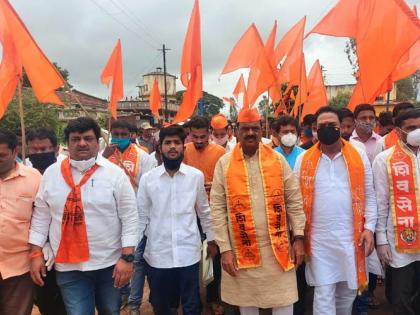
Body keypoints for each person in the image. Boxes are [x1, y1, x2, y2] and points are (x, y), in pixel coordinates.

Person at [29, 117, 139, 315]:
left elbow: (130, 217)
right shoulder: (52, 175)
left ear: (98, 142)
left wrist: (127, 257)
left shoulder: (115, 175)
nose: (82, 143)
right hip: (69, 266)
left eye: (88, 138)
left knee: (110, 311)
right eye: (75, 139)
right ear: (67, 144)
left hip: (110, 264)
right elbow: (41, 217)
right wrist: (36, 253)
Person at [211, 107, 306, 315]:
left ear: (262, 129)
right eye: (245, 129)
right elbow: (217, 209)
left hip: (278, 250)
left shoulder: (277, 160)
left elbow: (294, 201)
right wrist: (225, 249)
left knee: (284, 304)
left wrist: (298, 238)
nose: (251, 133)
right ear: (236, 131)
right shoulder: (224, 164)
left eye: (255, 128)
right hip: (241, 249)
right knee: (247, 307)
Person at [294, 106, 377, 315]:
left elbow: (369, 194)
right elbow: (295, 200)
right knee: (323, 293)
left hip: (351, 238)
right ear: (315, 130)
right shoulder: (304, 159)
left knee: (347, 294)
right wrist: (297, 236)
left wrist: (370, 228)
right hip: (319, 240)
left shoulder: (358, 155)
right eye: (321, 126)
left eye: (332, 125)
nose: (327, 129)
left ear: (341, 127)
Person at [137, 125, 216, 315]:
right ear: (160, 148)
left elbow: (204, 211)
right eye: (168, 143)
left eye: (177, 143)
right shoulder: (148, 179)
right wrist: (130, 249)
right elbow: (141, 217)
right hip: (157, 254)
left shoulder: (195, 177)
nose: (172, 147)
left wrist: (212, 239)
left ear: (183, 147)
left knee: (191, 305)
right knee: (162, 306)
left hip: (188, 253)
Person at [102, 119, 155, 315]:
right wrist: (103, 156)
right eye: (116, 134)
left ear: (132, 135)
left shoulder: (144, 157)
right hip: (109, 216)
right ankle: (121, 293)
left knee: (134, 258)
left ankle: (134, 302)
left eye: (124, 135)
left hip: (135, 216)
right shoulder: (104, 155)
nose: (120, 138)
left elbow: (148, 187)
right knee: (115, 257)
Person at [373, 109, 420, 315]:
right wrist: (381, 240)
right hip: (400, 241)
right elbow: (380, 203)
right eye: (411, 128)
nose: (417, 132)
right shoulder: (385, 159)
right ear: (399, 131)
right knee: (402, 297)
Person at [25, 128, 67, 315]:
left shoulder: (67, 172)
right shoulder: (23, 174)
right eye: (34, 150)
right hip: (35, 249)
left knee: (70, 299)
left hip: (66, 245)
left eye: (44, 149)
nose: (39, 153)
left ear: (56, 149)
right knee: (45, 299)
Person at [0, 129, 42, 315]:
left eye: (1, 155)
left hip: (19, 267)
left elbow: (42, 221)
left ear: (15, 152)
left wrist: (36, 255)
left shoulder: (34, 179)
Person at [103, 119, 155, 189]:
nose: (119, 137)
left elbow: (148, 183)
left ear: (130, 135)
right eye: (116, 134)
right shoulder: (103, 154)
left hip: (134, 198)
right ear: (111, 134)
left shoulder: (142, 156)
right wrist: (104, 157)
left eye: (123, 134)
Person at [184, 116, 226, 194]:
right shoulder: (184, 150)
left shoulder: (220, 152)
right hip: (190, 201)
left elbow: (228, 179)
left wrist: (215, 185)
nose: (199, 141)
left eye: (202, 137)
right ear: (190, 133)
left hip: (213, 201)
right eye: (195, 137)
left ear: (209, 133)